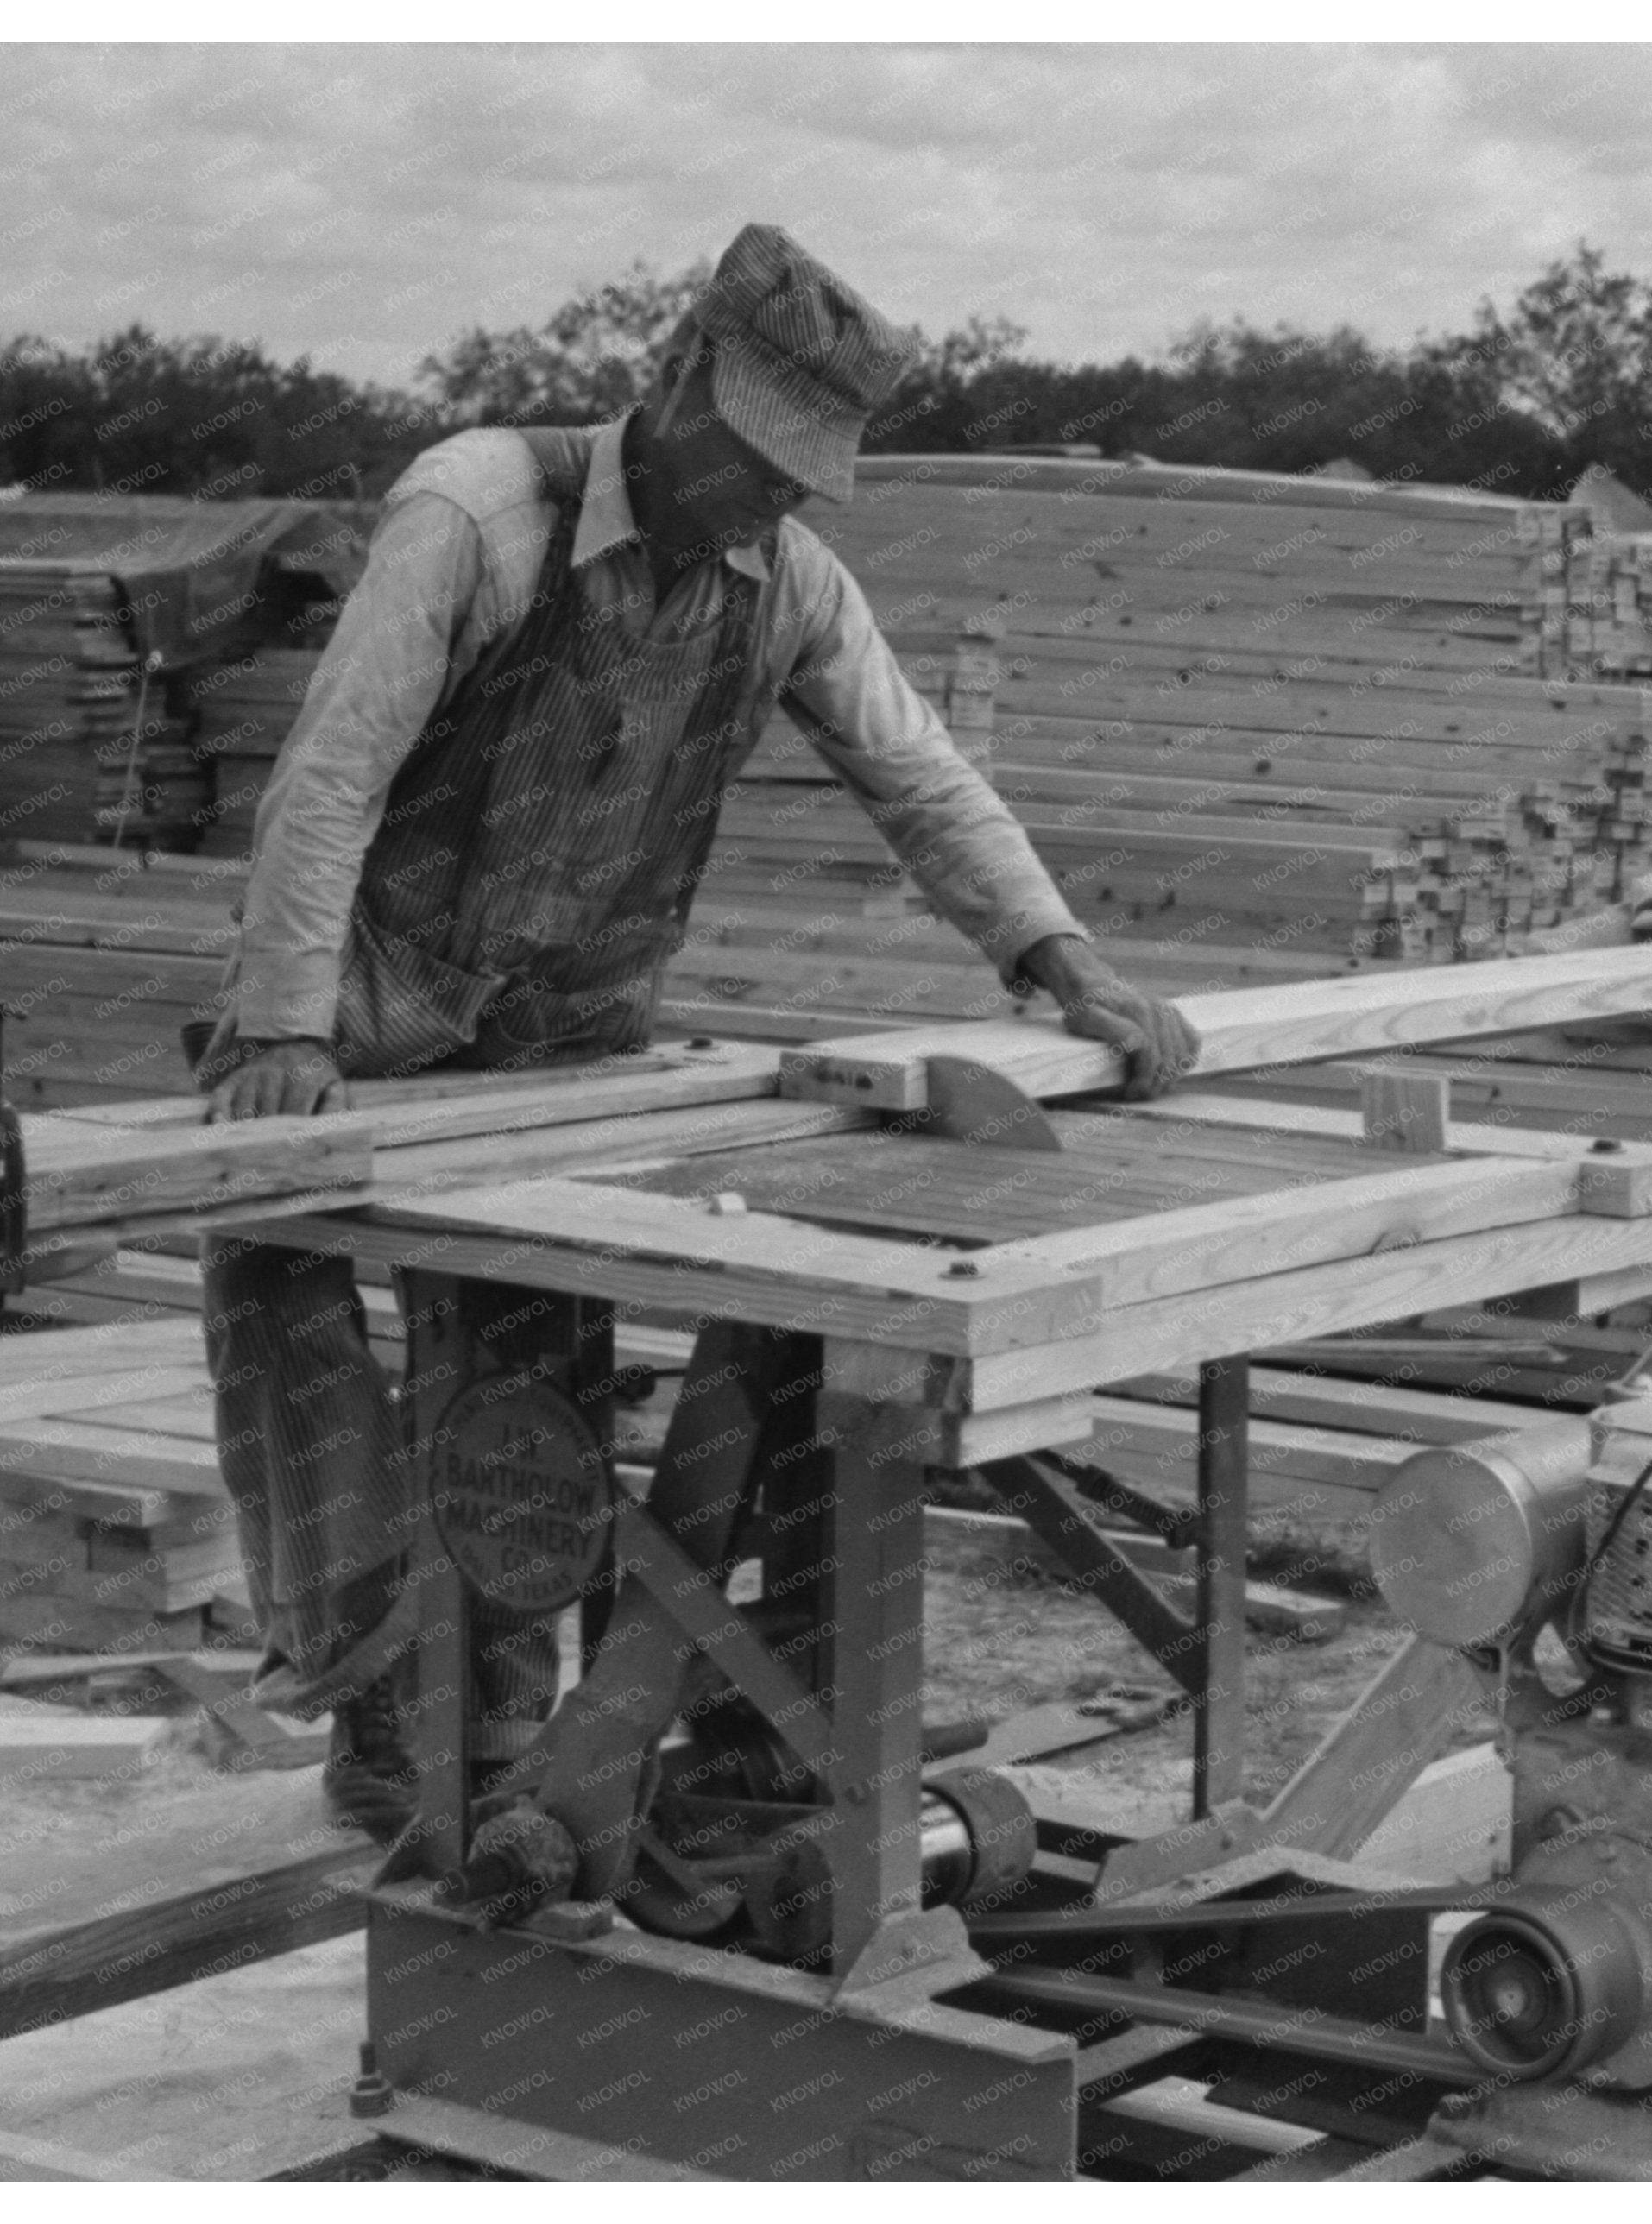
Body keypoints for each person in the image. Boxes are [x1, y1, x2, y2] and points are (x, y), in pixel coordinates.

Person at [191, 224, 1200, 1834]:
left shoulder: (788, 583)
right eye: (754, 460)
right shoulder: (475, 514)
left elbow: (917, 775)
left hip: (567, 1034)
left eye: (804, 476)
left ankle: (522, 1747)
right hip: (367, 1007)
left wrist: (1055, 954)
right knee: (283, 1297)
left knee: (528, 1369)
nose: (775, 499)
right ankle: (381, 1710)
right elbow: (334, 772)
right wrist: (282, 1027)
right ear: (668, 384)